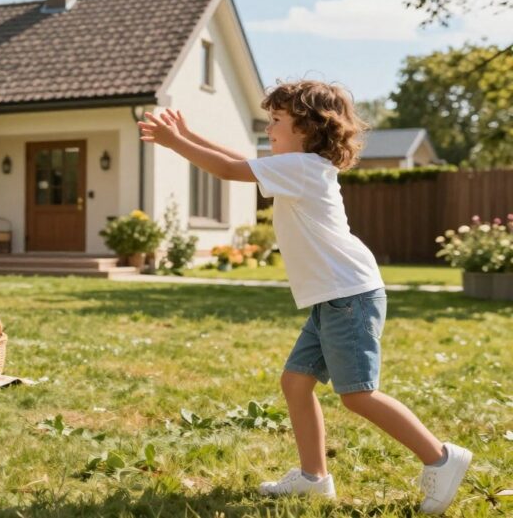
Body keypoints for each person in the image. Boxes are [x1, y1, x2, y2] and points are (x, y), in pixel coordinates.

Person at [138, 80, 471, 515]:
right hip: (333, 296)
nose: (269, 128)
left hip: (348, 295)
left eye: (276, 121)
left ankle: (441, 458)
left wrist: (175, 142)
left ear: (308, 129)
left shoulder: (302, 168)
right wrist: (189, 134)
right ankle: (314, 478)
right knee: (296, 383)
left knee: (358, 395)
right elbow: (239, 160)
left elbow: (226, 170)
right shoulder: (298, 165)